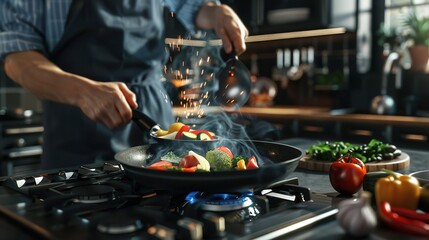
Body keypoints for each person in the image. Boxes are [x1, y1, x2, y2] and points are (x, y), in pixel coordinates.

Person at [0, 0, 248, 170]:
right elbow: (18, 58)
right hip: (78, 117)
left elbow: (190, 5)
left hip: (152, 110)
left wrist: (216, 12)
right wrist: (82, 92)